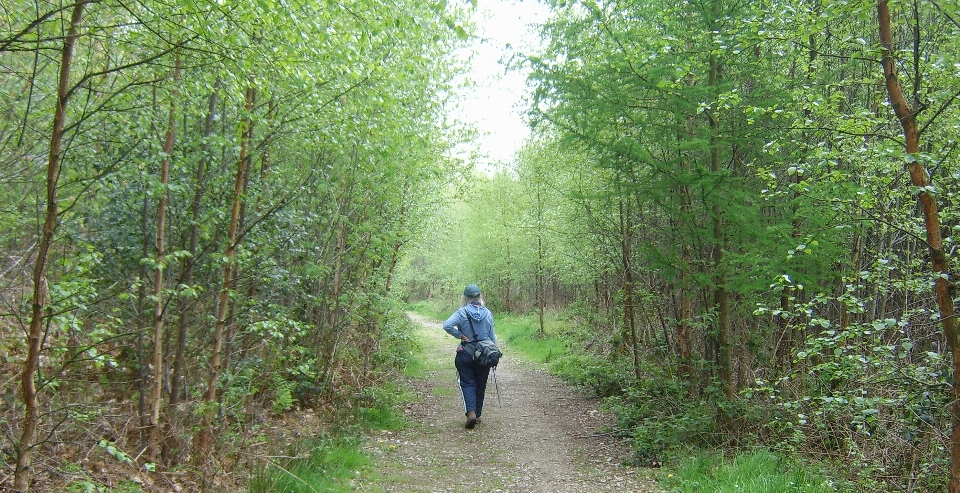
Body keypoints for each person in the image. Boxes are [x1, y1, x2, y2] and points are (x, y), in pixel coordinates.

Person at [442, 283, 497, 429]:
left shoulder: (462, 312)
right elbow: (492, 338)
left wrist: (460, 335)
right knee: (481, 384)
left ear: (465, 297)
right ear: (479, 296)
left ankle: (471, 413)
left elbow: (447, 325)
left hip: (465, 353)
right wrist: (494, 356)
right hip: (484, 355)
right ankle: (478, 415)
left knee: (467, 382)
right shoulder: (488, 314)